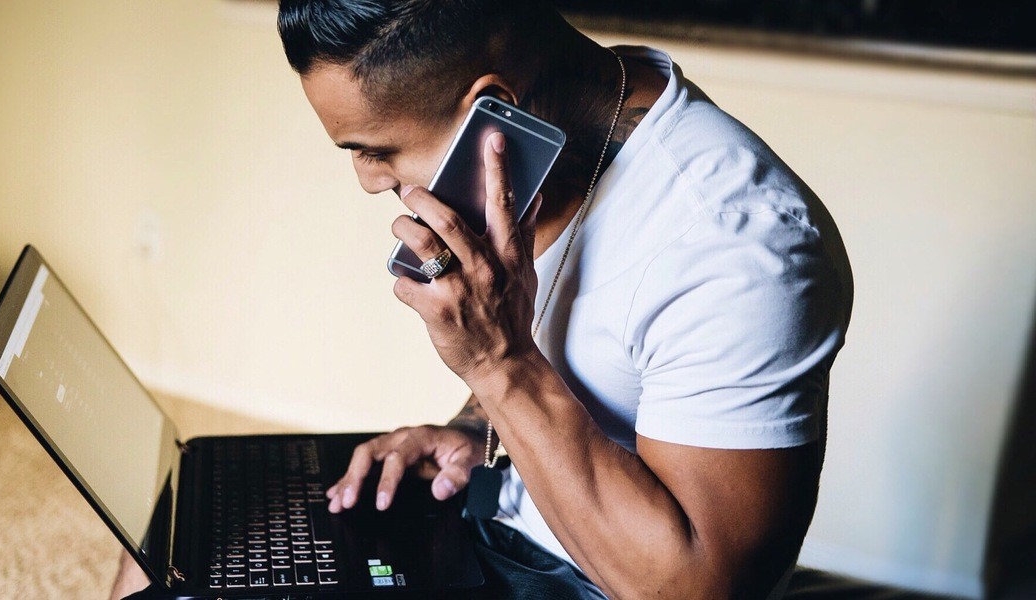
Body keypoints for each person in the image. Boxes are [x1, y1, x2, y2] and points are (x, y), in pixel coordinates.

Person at [111, 1, 853, 598]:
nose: (369, 179)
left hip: (591, 581)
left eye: (375, 148)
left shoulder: (738, 245)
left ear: (492, 108)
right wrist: (477, 430)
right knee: (183, 538)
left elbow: (695, 586)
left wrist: (500, 367)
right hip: (499, 523)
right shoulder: (554, 140)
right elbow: (602, 371)